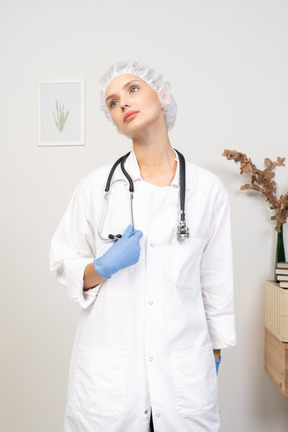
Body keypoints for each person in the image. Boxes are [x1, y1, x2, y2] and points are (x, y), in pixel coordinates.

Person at [49, 60, 236, 432]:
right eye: (113, 102)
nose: (124, 104)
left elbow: (216, 280)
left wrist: (212, 352)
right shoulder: (95, 187)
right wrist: (102, 267)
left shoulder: (206, 189)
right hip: (112, 376)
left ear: (162, 96)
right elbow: (63, 261)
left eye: (133, 90)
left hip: (182, 372)